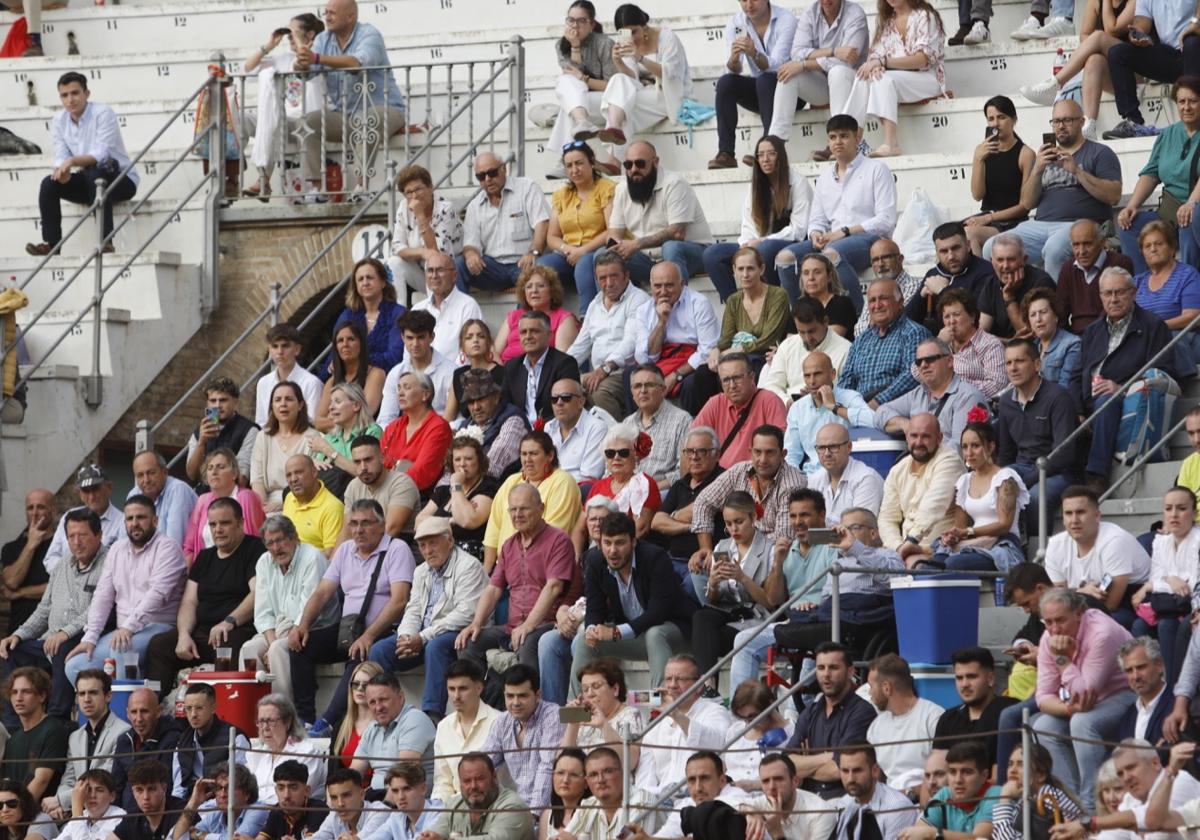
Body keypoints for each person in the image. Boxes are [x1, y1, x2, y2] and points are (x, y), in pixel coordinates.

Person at [291, 499, 414, 737]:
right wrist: (302, 625)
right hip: (348, 630)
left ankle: (326, 722)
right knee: (300, 646)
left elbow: (400, 600)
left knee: (359, 653)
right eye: (354, 524)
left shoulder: (397, 549)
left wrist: (369, 636)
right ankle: (305, 718)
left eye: (366, 523)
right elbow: (322, 592)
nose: (358, 530)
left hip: (382, 632)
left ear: (381, 526)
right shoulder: (345, 550)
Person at [561, 512, 693, 704]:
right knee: (583, 638)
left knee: (655, 633)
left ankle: (663, 707)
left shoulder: (655, 557)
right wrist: (592, 630)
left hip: (675, 632)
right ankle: (575, 712)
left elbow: (658, 612)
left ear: (633, 542)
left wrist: (615, 632)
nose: (612, 550)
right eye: (607, 543)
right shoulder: (596, 561)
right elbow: (594, 609)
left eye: (620, 543)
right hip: (636, 637)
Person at [983, 99, 1123, 280]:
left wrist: (1077, 171)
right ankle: (1011, 299)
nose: (1061, 126)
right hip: (1040, 225)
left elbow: (1114, 196)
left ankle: (1056, 305)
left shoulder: (1100, 153)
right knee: (991, 247)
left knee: (1054, 249)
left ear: (1081, 122)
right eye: (1056, 121)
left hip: (1080, 224)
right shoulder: (1043, 157)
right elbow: (1027, 202)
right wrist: (1038, 169)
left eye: (1067, 120)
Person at [457, 483, 582, 679]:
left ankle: (532, 706)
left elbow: (554, 587)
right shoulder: (508, 545)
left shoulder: (559, 540)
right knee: (469, 642)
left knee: (527, 641)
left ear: (541, 509)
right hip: (512, 626)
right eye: (513, 510)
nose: (518, 514)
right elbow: (493, 589)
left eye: (524, 508)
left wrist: (528, 625)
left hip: (547, 624)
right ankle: (483, 705)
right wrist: (476, 623)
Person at [369, 517, 487, 719]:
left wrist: (422, 638)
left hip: (460, 632)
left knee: (435, 647)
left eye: (433, 543)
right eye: (422, 545)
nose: (427, 550)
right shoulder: (421, 571)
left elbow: (465, 614)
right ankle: (387, 710)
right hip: (423, 634)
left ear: (449, 541)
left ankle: (432, 715)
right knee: (380, 650)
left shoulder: (469, 566)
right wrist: (406, 637)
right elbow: (413, 609)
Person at [1030, 587, 1135, 810]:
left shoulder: (1101, 633)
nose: (1054, 629)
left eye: (1060, 620)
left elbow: (1084, 691)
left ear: (1079, 613)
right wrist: (1068, 710)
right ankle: (1071, 805)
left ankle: (1091, 805)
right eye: (1048, 622)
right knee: (1042, 725)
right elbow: (1043, 696)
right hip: (1083, 705)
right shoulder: (1049, 636)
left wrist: (1062, 659)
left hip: (1125, 694)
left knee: (1082, 723)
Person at [0, 507, 105, 728]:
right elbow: (44, 609)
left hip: (84, 639)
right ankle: (13, 724)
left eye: (82, 535)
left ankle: (57, 720)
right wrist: (17, 635)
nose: (76, 542)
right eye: (71, 536)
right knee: (8, 650)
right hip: (50, 640)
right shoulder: (62, 565)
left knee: (61, 647)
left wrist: (64, 633)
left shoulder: (109, 563)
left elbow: (99, 609)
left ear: (98, 535)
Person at [1080, 267, 1186, 486]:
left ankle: (1097, 476)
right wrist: (1078, 411)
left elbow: (1163, 371)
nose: (1114, 299)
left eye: (1120, 292)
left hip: (1128, 400)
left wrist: (1122, 388)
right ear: (1100, 297)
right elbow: (1075, 375)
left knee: (1106, 401)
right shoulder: (1092, 331)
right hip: (1088, 400)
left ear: (1133, 293)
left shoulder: (1152, 326)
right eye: (1107, 293)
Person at [63, 497, 186, 685]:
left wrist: (129, 627)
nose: (134, 524)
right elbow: (102, 596)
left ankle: (128, 711)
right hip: (124, 631)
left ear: (155, 520)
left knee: (121, 650)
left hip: (159, 626)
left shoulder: (168, 548)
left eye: (141, 517)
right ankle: (103, 709)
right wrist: (90, 637)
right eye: (129, 519)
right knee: (75, 665)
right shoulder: (117, 550)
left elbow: (157, 595)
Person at [776, 115, 895, 308]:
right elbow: (817, 219)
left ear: (857, 138)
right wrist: (815, 235)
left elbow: (886, 220)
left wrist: (845, 232)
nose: (837, 142)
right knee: (785, 258)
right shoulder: (824, 178)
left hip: (870, 238)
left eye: (843, 136)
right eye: (832, 137)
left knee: (831, 254)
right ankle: (805, 315)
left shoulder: (877, 169)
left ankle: (858, 318)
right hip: (834, 239)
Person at [144, 498, 262, 693]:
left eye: (225, 523)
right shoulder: (205, 557)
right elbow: (189, 601)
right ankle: (154, 707)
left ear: (241, 523)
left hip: (237, 630)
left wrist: (229, 621)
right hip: (202, 634)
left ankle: (226, 711)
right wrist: (184, 635)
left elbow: (257, 593)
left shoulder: (254, 549)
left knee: (228, 644)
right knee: (159, 645)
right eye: (213, 524)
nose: (218, 529)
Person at [726, 487, 835, 689]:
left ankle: (796, 712)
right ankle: (741, 711)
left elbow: (840, 590)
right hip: (793, 622)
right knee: (743, 639)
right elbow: (774, 600)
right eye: (793, 516)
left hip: (824, 621)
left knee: (816, 644)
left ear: (822, 516)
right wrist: (777, 562)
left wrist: (818, 606)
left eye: (804, 515)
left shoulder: (834, 544)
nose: (797, 522)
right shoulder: (788, 549)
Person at [293, 0, 405, 196]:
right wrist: (301, 63)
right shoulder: (323, 39)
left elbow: (357, 63)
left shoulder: (370, 35)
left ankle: (361, 187)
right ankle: (316, 191)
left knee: (365, 120)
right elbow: (308, 73)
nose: (327, 17)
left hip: (388, 109)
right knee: (308, 122)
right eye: (325, 12)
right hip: (346, 114)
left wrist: (316, 58)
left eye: (332, 13)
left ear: (351, 16)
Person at [25, 72, 138, 257]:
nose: (70, 100)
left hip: (121, 180)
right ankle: (52, 245)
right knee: (49, 184)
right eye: (64, 95)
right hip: (89, 181)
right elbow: (61, 153)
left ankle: (106, 241)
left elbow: (101, 154)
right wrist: (63, 172)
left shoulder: (103, 113)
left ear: (87, 94)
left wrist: (72, 162)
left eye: (75, 93)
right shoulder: (59, 120)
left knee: (96, 172)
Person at [830, 0, 946, 156]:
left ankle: (891, 144)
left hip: (928, 78)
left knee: (882, 79)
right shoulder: (888, 22)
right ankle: (851, 138)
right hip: (899, 79)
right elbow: (875, 56)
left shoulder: (925, 16)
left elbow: (922, 59)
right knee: (864, 76)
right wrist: (875, 66)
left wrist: (883, 63)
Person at [703, 136, 811, 299]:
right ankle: (737, 308)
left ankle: (771, 304)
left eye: (771, 154)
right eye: (760, 155)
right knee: (713, 254)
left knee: (765, 249)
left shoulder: (798, 182)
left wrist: (762, 242)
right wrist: (746, 247)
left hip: (794, 244)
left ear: (780, 156)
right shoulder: (755, 186)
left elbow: (799, 230)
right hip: (759, 245)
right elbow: (748, 226)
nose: (765, 159)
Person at [240, 515, 334, 700]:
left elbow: (308, 610)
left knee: (278, 650)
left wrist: (274, 644)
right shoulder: (264, 562)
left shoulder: (312, 558)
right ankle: (253, 715)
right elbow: (263, 612)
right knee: (249, 649)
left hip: (313, 628)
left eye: (281, 540)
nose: (276, 548)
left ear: (294, 538)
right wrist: (271, 640)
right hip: (279, 630)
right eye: (270, 543)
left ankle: (284, 712)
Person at [689, 425, 808, 568]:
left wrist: (742, 545)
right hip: (736, 548)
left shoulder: (792, 485)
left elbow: (783, 539)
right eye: (758, 452)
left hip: (772, 558)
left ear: (783, 454)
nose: (763, 459)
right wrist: (706, 549)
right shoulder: (740, 471)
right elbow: (703, 502)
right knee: (700, 568)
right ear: (750, 452)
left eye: (770, 453)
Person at [995, 338, 1077, 537]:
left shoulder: (1058, 397)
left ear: (1037, 364)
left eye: (1020, 361)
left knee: (1035, 497)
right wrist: (1002, 476)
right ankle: (1004, 547)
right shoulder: (1006, 402)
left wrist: (1026, 479)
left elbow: (1064, 454)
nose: (1013, 368)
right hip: (1022, 467)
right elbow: (1006, 453)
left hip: (1059, 472)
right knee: (992, 487)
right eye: (1008, 363)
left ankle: (1036, 556)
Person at [592, 6, 693, 166]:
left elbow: (672, 75)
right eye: (626, 33)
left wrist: (640, 58)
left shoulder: (667, 38)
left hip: (670, 95)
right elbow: (632, 79)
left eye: (634, 32)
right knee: (619, 81)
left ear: (644, 26)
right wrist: (619, 63)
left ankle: (614, 160)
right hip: (646, 94)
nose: (631, 38)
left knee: (623, 105)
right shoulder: (625, 43)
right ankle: (615, 128)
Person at [1018, 0, 1136, 135]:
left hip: (1134, 70)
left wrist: (1098, 43)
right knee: (1094, 60)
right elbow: (1084, 35)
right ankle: (1089, 125)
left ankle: (1055, 83)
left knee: (1098, 36)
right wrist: (1096, 48)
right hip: (1110, 71)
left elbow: (1112, 28)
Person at [1117, 80, 1200, 270]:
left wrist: (1191, 203)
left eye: (1193, 101)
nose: (1186, 107)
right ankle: (1142, 288)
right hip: (1169, 212)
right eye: (1181, 102)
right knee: (1129, 225)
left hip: (1194, 210)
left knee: (1189, 219)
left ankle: (1188, 284)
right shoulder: (1168, 134)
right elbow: (1151, 173)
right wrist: (1132, 206)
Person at [707, 1, 798, 170]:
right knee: (725, 82)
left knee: (766, 79)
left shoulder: (786, 20)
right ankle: (726, 153)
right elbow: (735, 69)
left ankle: (768, 149)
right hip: (762, 91)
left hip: (790, 91)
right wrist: (734, 59)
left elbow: (777, 66)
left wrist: (754, 53)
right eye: (743, 0)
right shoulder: (736, 23)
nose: (748, 5)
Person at [927, 422, 1028, 573]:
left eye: (975, 446)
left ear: (991, 446)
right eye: (965, 447)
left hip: (1002, 544)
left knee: (954, 564)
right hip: (974, 543)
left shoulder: (1005, 478)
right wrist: (954, 536)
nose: (969, 453)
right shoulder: (964, 481)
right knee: (932, 565)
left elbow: (1004, 525)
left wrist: (968, 532)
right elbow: (960, 527)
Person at [607, 141, 713, 285]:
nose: (633, 169)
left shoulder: (675, 184)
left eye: (640, 164)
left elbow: (677, 233)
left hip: (689, 253)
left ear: (655, 162)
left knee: (671, 247)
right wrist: (615, 247)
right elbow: (615, 232)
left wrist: (636, 244)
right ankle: (616, 306)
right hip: (648, 258)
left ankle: (681, 303)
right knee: (604, 257)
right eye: (628, 165)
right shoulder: (622, 189)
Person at [1044, 486, 1151, 626]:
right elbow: (1055, 597)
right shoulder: (1056, 545)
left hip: (1132, 602)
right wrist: (1080, 592)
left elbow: (1111, 604)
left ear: (1097, 516)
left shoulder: (1115, 541)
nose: (1074, 520)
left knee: (1088, 623)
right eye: (1068, 513)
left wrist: (1076, 595)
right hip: (1087, 604)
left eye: (1080, 512)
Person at [766, 0, 870, 140]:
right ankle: (776, 141)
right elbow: (797, 52)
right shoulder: (809, 14)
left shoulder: (855, 13)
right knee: (788, 74)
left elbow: (847, 60)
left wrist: (804, 65)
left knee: (838, 71)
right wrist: (834, 51)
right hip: (822, 83)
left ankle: (837, 137)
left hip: (852, 83)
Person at [569, 252, 651, 423]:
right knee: (561, 389)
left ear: (626, 276)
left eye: (614, 276)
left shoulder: (639, 300)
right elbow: (581, 344)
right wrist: (559, 366)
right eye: (602, 278)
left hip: (624, 373)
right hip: (598, 373)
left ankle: (618, 439)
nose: (608, 283)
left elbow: (631, 341)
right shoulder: (595, 303)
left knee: (599, 393)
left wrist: (604, 369)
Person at [482, 432, 582, 570]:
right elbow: (494, 529)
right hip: (502, 569)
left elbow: (552, 535)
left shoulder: (563, 482)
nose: (527, 459)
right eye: (523, 454)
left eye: (534, 454)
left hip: (540, 570)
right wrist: (487, 573)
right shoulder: (512, 481)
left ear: (550, 455)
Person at [1102, 0, 1200, 139]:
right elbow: (1142, 22)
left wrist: (1196, 23)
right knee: (1117, 53)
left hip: (1196, 49)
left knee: (1192, 41)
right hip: (1173, 55)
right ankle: (1133, 123)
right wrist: (1137, 34)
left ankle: (1195, 121)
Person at [1130, 489, 1200, 681]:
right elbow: (1157, 576)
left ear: (1194, 513)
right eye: (1168, 509)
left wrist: (1155, 584)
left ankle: (1173, 686)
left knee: (1166, 625)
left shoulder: (1198, 540)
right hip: (1168, 604)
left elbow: (1191, 586)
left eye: (1181, 508)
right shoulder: (1160, 542)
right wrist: (1170, 580)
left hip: (1191, 606)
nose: (1174, 514)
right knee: (1138, 625)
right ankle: (1144, 682)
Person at [639, 655, 732, 800]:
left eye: (680, 679)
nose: (672, 685)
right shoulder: (657, 724)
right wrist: (643, 800)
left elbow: (716, 745)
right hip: (659, 801)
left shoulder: (715, 711)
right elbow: (645, 775)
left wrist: (676, 714)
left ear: (700, 684)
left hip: (696, 798)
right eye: (668, 679)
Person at [456, 151, 550, 292]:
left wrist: (533, 252)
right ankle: (459, 313)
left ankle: (523, 314)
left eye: (492, 173)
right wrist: (471, 254)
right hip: (492, 267)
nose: (487, 179)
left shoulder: (527, 188)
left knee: (533, 278)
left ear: (504, 169)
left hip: (524, 263)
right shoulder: (474, 205)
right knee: (457, 265)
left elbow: (542, 224)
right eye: (481, 176)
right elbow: (470, 244)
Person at [877, 414, 965, 564]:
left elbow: (932, 507)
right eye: (914, 436)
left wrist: (911, 541)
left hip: (941, 551)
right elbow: (887, 518)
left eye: (925, 437)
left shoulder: (949, 461)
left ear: (939, 438)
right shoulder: (898, 470)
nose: (918, 442)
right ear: (906, 437)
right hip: (904, 551)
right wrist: (897, 547)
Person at [542, 141, 617, 315]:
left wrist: (582, 251)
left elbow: (611, 230)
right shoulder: (561, 195)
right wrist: (567, 249)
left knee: (584, 264)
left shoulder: (606, 188)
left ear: (592, 162)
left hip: (596, 250)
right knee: (541, 267)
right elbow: (552, 237)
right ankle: (537, 320)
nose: (574, 170)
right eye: (569, 166)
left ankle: (587, 319)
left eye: (579, 163)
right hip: (568, 254)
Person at [545, 2, 619, 177]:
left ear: (592, 24)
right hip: (581, 101)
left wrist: (584, 79)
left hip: (604, 98)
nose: (574, 26)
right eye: (571, 20)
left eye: (581, 21)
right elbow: (572, 80)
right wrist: (575, 47)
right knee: (566, 82)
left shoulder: (604, 44)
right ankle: (581, 122)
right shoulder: (561, 46)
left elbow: (612, 85)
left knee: (568, 106)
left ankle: (566, 159)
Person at [479, 665, 565, 814]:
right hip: (517, 809)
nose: (515, 702)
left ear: (537, 695)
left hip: (552, 811)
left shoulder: (553, 716)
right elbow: (483, 763)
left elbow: (548, 767)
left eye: (523, 696)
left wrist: (533, 815)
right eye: (510, 696)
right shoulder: (502, 721)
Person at [837, 278, 932, 407]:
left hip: (896, 409)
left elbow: (912, 375)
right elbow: (846, 378)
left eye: (883, 298)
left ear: (900, 303)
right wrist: (846, 405)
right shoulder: (862, 339)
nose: (877, 305)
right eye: (872, 300)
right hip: (858, 409)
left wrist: (878, 402)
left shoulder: (914, 333)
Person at [875, 337, 987, 446]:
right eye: (918, 362)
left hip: (946, 463)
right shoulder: (918, 394)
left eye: (930, 359)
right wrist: (906, 425)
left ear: (949, 361)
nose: (923, 365)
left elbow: (960, 448)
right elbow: (881, 412)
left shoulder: (968, 397)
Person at [963, 96, 1036, 256]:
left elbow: (1024, 206)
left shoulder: (1025, 154)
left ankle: (981, 279)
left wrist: (988, 218)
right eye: (991, 119)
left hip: (1012, 222)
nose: (995, 123)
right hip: (988, 218)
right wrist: (979, 160)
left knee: (968, 235)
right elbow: (977, 195)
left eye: (1001, 117)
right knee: (948, 235)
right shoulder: (982, 150)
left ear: (1013, 119)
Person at [695, 351, 788, 472]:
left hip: (756, 477)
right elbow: (693, 442)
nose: (732, 385)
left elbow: (778, 448)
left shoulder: (769, 401)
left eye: (737, 377)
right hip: (717, 479)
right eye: (726, 380)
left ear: (752, 377)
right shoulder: (715, 403)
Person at [865, 654, 944, 795]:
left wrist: (911, 793)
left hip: (926, 803)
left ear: (886, 688)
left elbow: (945, 774)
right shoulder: (876, 727)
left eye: (871, 686)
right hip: (887, 804)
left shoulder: (933, 717)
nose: (870, 693)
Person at [783, 351, 874, 474]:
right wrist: (794, 481)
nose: (812, 381)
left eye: (817, 374)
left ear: (833, 374)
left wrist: (834, 407)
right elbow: (791, 455)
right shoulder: (797, 408)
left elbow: (874, 420)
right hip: (810, 478)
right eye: (807, 376)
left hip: (846, 473)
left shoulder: (850, 397)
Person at [907, 222, 1003, 336]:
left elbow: (976, 318)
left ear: (968, 246)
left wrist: (943, 291)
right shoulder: (933, 274)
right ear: (936, 253)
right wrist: (921, 296)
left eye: (956, 248)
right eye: (943, 251)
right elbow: (907, 321)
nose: (951, 256)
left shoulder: (986, 272)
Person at [709, 250, 793, 377]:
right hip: (739, 358)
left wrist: (737, 350)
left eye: (750, 269)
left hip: (767, 356)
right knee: (702, 375)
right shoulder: (733, 300)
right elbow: (725, 339)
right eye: (740, 269)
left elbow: (769, 339)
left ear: (762, 269)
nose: (745, 274)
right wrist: (716, 350)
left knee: (747, 365)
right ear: (734, 270)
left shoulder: (778, 295)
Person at [932, 647, 1018, 770]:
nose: (964, 684)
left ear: (990, 678)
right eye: (959, 678)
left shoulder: (1009, 712)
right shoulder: (947, 719)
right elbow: (937, 769)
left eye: (971, 677)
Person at [415, 436, 498, 562]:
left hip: (469, 558)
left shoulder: (488, 487)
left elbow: (468, 520)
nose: (462, 464)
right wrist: (449, 521)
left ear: (479, 461)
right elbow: (419, 523)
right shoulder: (443, 491)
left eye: (468, 459)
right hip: (437, 555)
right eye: (457, 459)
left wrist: (456, 485)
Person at [431, 660, 502, 805]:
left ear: (479, 688)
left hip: (493, 805)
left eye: (463, 688)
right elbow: (443, 780)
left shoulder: (499, 722)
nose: (456, 696)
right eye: (451, 689)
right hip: (453, 808)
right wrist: (438, 808)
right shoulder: (443, 726)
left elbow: (500, 781)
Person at [560, 666, 648, 782]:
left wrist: (604, 725)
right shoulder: (584, 720)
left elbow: (630, 762)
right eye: (585, 689)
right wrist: (573, 725)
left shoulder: (630, 715)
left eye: (596, 686)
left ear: (615, 689)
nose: (590, 694)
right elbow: (561, 763)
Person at [650, 426, 726, 559]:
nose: (694, 457)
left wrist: (673, 516)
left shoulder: (724, 480)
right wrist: (690, 527)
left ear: (717, 455)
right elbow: (657, 522)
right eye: (689, 451)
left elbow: (699, 508)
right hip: (673, 558)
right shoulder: (680, 484)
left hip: (706, 560)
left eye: (701, 451)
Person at [760, 298, 853, 407]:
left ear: (825, 322)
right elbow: (771, 386)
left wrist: (818, 397)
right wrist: (787, 402)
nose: (807, 338)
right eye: (801, 332)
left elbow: (846, 392)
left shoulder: (846, 349)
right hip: (788, 409)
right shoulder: (787, 345)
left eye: (812, 331)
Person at [419, 752, 534, 839]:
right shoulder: (454, 804)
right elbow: (437, 834)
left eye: (480, 779)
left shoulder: (513, 807)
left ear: (494, 777)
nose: (473, 786)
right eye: (467, 781)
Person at [578, 424, 663, 541]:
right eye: (610, 453)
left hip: (627, 550)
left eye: (623, 452)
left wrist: (612, 550)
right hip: (595, 549)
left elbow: (640, 529)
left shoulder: (644, 484)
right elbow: (580, 529)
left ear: (635, 456)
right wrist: (577, 555)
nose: (616, 457)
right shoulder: (598, 486)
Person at [1131, 220, 1200, 363]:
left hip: (1183, 339)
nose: (1153, 249)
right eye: (1147, 246)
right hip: (1146, 340)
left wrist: (1158, 328)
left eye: (1158, 244)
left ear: (1172, 247)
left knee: (1170, 339)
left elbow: (1193, 317)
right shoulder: (1137, 282)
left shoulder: (1187, 275)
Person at [388, 166, 464, 295]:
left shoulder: (445, 210)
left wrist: (420, 216)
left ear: (430, 188)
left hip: (449, 274)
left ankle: (436, 311)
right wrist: (422, 252)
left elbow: (437, 253)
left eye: (418, 189)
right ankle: (399, 312)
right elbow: (396, 247)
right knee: (393, 262)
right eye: (408, 192)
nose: (414, 196)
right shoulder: (403, 207)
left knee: (432, 260)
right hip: (423, 272)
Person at [351, 673, 435, 786]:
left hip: (408, 800)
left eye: (383, 700)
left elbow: (404, 774)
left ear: (400, 698)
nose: (378, 707)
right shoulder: (372, 728)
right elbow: (354, 772)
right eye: (372, 702)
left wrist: (385, 803)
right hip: (377, 800)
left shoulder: (414, 719)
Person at [501, 310, 583, 426]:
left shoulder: (565, 363)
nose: (528, 336)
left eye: (534, 331)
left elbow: (568, 406)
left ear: (549, 335)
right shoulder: (512, 366)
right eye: (523, 332)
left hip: (554, 428)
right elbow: (505, 406)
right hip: (520, 429)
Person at [251, 382, 323, 513]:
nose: (283, 404)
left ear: (300, 405)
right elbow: (257, 479)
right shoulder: (263, 436)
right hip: (267, 502)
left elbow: (311, 482)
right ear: (272, 406)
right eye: (277, 400)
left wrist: (284, 503)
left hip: (302, 502)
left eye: (289, 399)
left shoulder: (312, 437)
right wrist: (263, 508)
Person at [183, 449, 266, 562]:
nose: (214, 471)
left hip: (238, 567)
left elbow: (252, 542)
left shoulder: (246, 497)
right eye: (210, 468)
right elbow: (189, 547)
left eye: (220, 467)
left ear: (234, 474)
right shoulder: (202, 500)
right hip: (204, 569)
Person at [171, 682, 251, 797]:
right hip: (191, 802)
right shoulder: (183, 741)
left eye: (199, 708)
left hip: (222, 802)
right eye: (188, 708)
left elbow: (237, 786)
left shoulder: (235, 738)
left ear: (213, 708)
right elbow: (178, 790)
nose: (193, 714)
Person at [989, 743, 1083, 840]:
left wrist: (1005, 799)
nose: (1012, 770)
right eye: (1010, 764)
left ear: (1040, 775)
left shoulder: (1050, 798)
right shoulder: (1024, 799)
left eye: (1021, 764)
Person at [379, 372, 453, 495]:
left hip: (417, 496)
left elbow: (422, 472)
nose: (400, 393)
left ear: (425, 395)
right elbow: (378, 463)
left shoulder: (438, 427)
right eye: (399, 388)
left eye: (407, 388)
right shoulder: (393, 427)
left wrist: (386, 484)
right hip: (386, 491)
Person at [0, 491, 55, 655]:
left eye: (41, 507)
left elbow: (58, 587)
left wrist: (20, 593)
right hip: (17, 634)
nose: (35, 512)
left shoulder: (63, 545)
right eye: (30, 508)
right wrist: (31, 545)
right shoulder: (12, 548)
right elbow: (11, 582)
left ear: (53, 510)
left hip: (51, 635)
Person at [2, 667, 69, 799]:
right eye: (14, 692)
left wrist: (18, 812)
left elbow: (41, 781)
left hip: (39, 812)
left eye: (26, 692)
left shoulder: (54, 730)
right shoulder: (13, 739)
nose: (19, 698)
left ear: (42, 696)